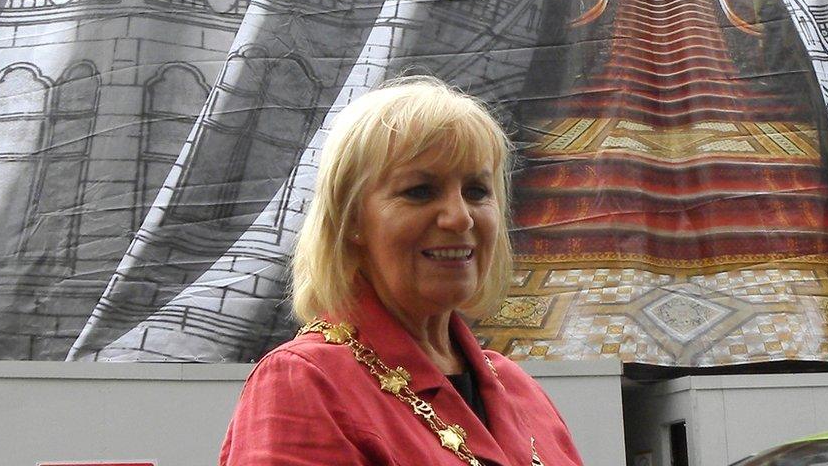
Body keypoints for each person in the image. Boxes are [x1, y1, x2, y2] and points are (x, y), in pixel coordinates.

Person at [219, 76, 585, 466]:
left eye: (477, 191)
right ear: (352, 219)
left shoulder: (519, 389)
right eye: (420, 191)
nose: (459, 217)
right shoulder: (306, 382)